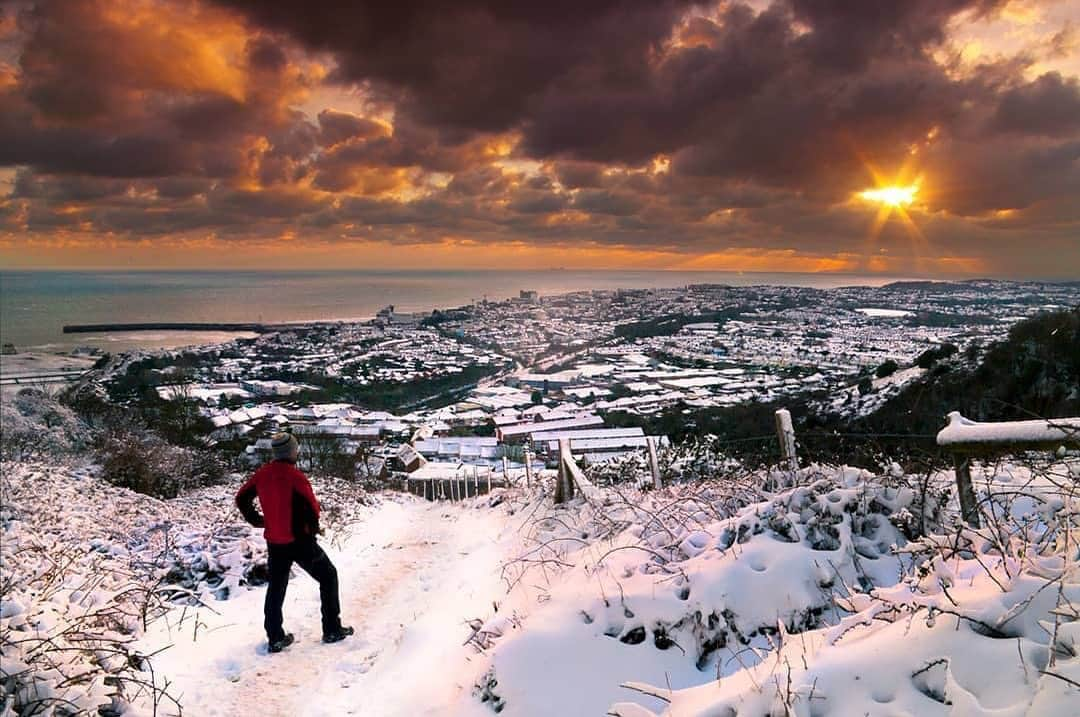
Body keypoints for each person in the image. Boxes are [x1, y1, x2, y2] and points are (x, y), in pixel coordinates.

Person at [236, 432, 354, 653]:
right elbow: (313, 507)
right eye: (295, 449)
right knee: (328, 576)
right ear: (291, 452)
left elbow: (241, 498)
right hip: (300, 541)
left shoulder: (262, 474)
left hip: (275, 541)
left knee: (276, 587)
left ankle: (275, 637)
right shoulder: (295, 476)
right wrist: (313, 530)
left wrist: (258, 520)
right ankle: (332, 629)